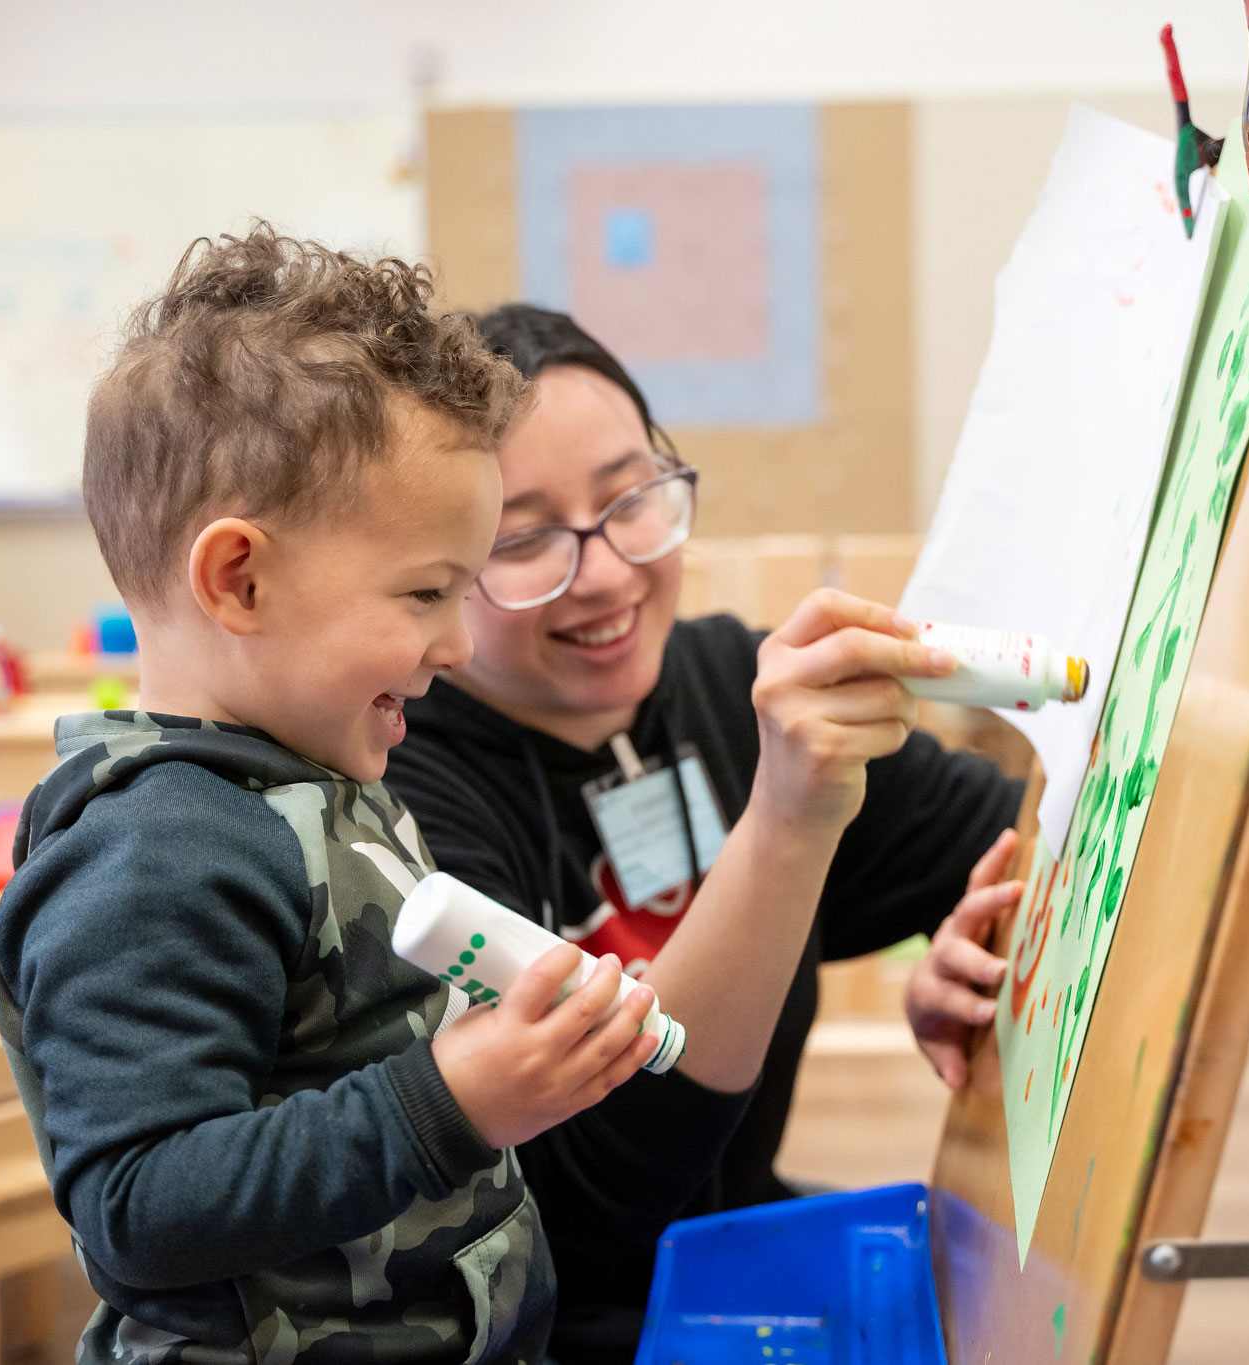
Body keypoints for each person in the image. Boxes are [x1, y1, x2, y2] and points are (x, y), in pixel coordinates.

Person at [0, 230, 661, 1364]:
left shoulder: (317, 763)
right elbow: (138, 1206)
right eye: (424, 592)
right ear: (239, 580)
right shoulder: (158, 851)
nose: (455, 643)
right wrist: (448, 1100)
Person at [384, 304, 1028, 1362]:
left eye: (632, 499)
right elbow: (603, 1205)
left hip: (748, 1262)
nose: (603, 574)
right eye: (526, 537)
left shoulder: (732, 681)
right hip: (545, 1321)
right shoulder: (406, 790)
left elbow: (1023, 842)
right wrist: (783, 818)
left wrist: (987, 942)